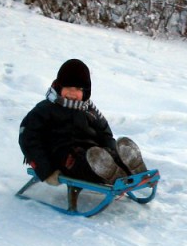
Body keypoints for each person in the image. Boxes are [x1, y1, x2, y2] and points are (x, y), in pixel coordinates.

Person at [19, 59, 147, 186]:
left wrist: (111, 150)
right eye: (68, 87)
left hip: (94, 152)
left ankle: (129, 168)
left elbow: (104, 133)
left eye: (78, 89)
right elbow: (28, 138)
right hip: (64, 157)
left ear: (85, 91)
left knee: (109, 155)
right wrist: (46, 171)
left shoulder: (89, 109)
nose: (72, 93)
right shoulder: (46, 109)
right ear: (59, 86)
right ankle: (112, 175)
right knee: (85, 163)